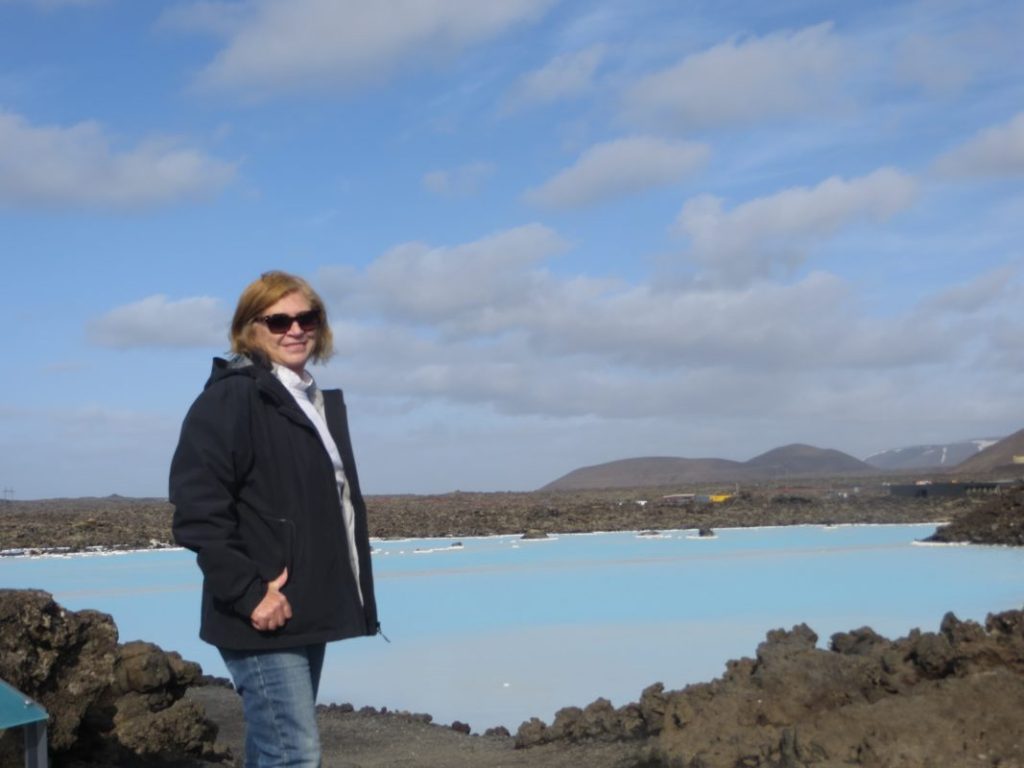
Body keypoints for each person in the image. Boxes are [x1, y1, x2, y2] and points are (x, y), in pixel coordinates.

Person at [170, 270, 379, 767]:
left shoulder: (307, 402)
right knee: (294, 754)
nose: (295, 329)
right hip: (260, 611)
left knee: (272, 749)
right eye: (278, 320)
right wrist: (249, 592)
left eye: (307, 317)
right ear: (250, 329)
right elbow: (198, 510)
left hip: (300, 608)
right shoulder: (233, 397)